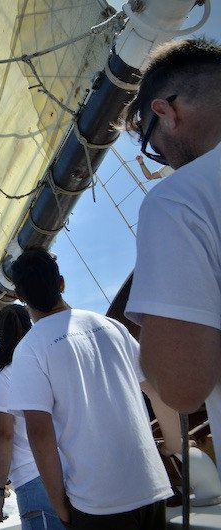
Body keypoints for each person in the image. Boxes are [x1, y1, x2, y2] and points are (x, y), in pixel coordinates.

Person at [8, 247, 182, 530]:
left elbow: (40, 432)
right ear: (62, 283)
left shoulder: (30, 349)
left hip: (98, 502)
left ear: (19, 296)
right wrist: (174, 445)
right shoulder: (112, 327)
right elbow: (154, 388)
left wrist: (58, 503)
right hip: (151, 487)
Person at [122, 37, 221, 478]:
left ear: (165, 111)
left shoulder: (180, 200)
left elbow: (181, 387)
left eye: (151, 144)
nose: (159, 157)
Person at [0, 304, 64, 530]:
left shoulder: (0, 372)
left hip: (34, 477)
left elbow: (4, 433)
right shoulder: (48, 358)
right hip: (69, 472)